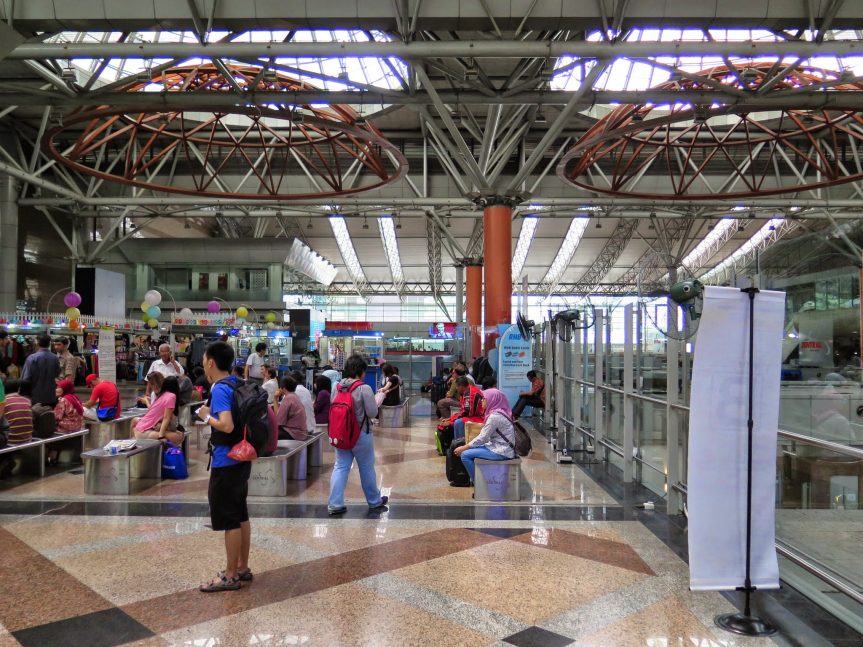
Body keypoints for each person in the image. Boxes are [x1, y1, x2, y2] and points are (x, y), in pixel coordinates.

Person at [197, 341, 253, 592]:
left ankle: (230, 576)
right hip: (241, 457)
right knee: (240, 513)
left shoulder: (220, 388)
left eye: (203, 360)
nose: (203, 364)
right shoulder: (237, 382)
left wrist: (206, 416)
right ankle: (242, 567)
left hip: (226, 459)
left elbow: (227, 425)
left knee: (229, 518)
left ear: (211, 362)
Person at [327, 354, 388, 516]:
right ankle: (374, 501)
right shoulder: (364, 388)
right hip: (361, 434)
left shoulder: (337, 387)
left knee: (340, 467)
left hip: (341, 434)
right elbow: (372, 412)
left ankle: (335, 503)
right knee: (366, 467)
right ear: (361, 371)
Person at [454, 388, 516, 484]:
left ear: (492, 399)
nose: (481, 401)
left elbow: (483, 437)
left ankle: (480, 485)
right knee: (471, 449)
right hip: (501, 447)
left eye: (484, 399)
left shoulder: (494, 417)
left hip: (502, 451)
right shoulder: (500, 412)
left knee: (465, 455)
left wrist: (463, 448)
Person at [132, 376, 183, 445]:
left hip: (143, 428)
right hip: (145, 431)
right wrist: (161, 436)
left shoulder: (161, 396)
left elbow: (163, 416)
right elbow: (166, 418)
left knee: (179, 435)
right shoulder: (171, 396)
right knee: (178, 437)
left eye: (152, 384)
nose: (152, 387)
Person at [21, 334, 60, 406]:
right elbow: (57, 374)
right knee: (48, 415)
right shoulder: (55, 358)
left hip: (35, 396)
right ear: (49, 344)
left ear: (37, 343)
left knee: (35, 416)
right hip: (50, 396)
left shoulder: (32, 358)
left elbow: (26, 378)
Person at [446, 376, 485, 440]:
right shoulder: (466, 391)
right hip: (474, 415)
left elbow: (467, 412)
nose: (456, 388)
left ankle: (460, 444)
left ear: (461, 386)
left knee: (458, 422)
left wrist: (451, 420)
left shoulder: (470, 393)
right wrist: (450, 418)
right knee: (454, 420)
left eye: (457, 386)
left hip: (480, 417)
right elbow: (463, 411)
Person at [274, 376, 308, 440]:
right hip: (301, 432)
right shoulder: (294, 396)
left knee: (269, 434)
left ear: (283, 388)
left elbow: (278, 421)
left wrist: (275, 398)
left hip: (294, 433)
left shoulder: (288, 398)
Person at [4, 380, 32, 445]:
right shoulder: (27, 401)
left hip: (10, 443)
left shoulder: (3, 403)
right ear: (19, 389)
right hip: (27, 440)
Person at [291, 370, 316, 437]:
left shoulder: (292, 391)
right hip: (311, 427)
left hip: (301, 431)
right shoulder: (306, 390)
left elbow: (281, 415)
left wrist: (275, 398)